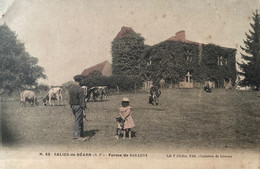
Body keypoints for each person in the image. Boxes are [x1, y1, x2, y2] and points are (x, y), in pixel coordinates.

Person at [68, 75, 86, 140]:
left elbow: (70, 99)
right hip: (78, 106)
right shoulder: (80, 89)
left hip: (72, 106)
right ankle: (76, 135)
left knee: (78, 119)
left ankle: (81, 134)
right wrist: (84, 109)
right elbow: (82, 100)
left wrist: (71, 105)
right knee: (78, 121)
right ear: (80, 81)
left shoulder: (71, 89)